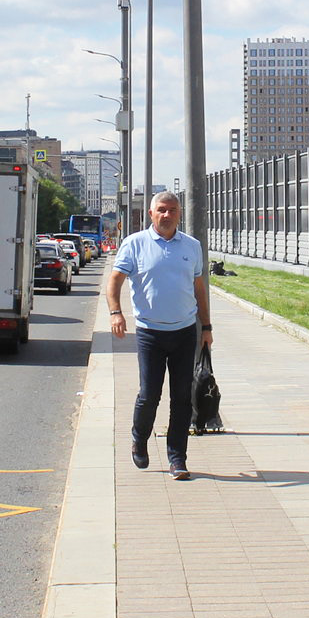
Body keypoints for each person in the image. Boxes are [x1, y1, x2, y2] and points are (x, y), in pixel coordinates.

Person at [105, 190, 211, 480]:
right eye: (161, 210)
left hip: (185, 332)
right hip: (150, 333)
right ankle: (139, 438)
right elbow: (114, 281)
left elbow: (199, 289)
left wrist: (206, 327)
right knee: (149, 394)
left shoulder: (192, 246)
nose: (167, 215)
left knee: (182, 398)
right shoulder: (134, 244)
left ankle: (177, 458)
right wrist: (116, 313)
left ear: (180, 214)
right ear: (151, 214)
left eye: (172, 210)